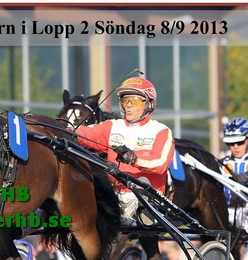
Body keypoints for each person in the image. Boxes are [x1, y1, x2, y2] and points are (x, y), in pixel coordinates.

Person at [71, 77, 175, 224]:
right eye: (126, 101)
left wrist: (133, 158)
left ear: (149, 104)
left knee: (142, 185)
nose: (129, 106)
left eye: (135, 101)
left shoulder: (161, 131)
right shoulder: (113, 126)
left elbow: (160, 163)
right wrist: (63, 131)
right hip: (113, 196)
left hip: (143, 195)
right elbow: (86, 133)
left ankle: (145, 211)